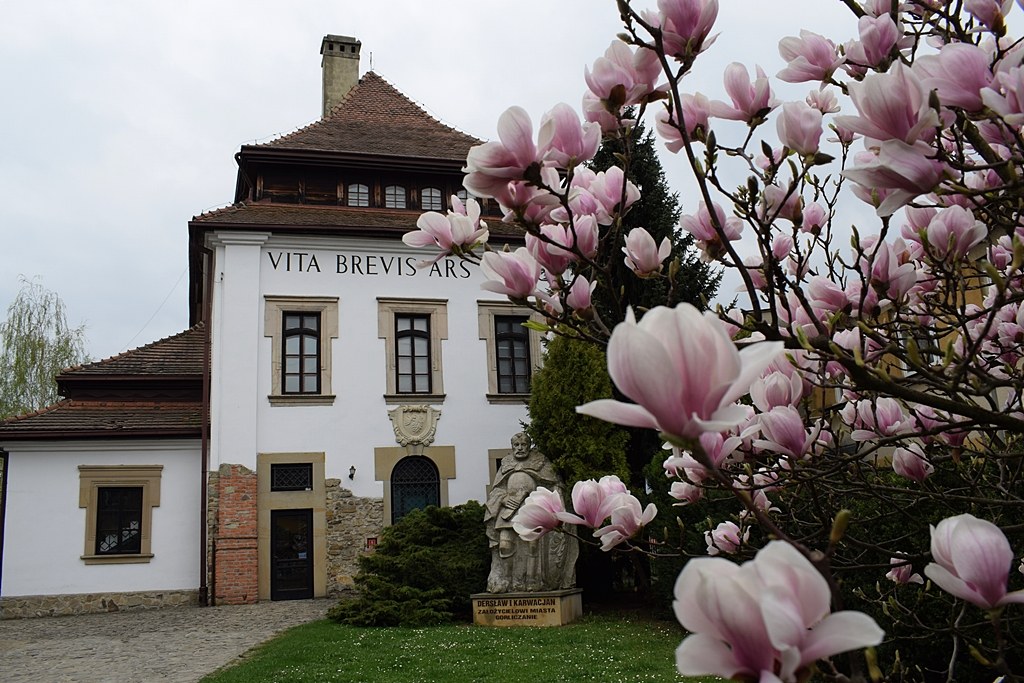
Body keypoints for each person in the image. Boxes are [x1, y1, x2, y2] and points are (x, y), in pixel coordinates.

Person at [483, 432, 577, 592]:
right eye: (516, 445)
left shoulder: (540, 462)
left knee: (533, 545)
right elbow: (496, 490)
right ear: (512, 447)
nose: (520, 448)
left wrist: (554, 499)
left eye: (523, 445)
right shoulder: (506, 464)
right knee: (505, 546)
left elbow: (555, 484)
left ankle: (533, 581)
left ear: (529, 445)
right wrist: (503, 499)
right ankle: (508, 581)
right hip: (509, 510)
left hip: (532, 508)